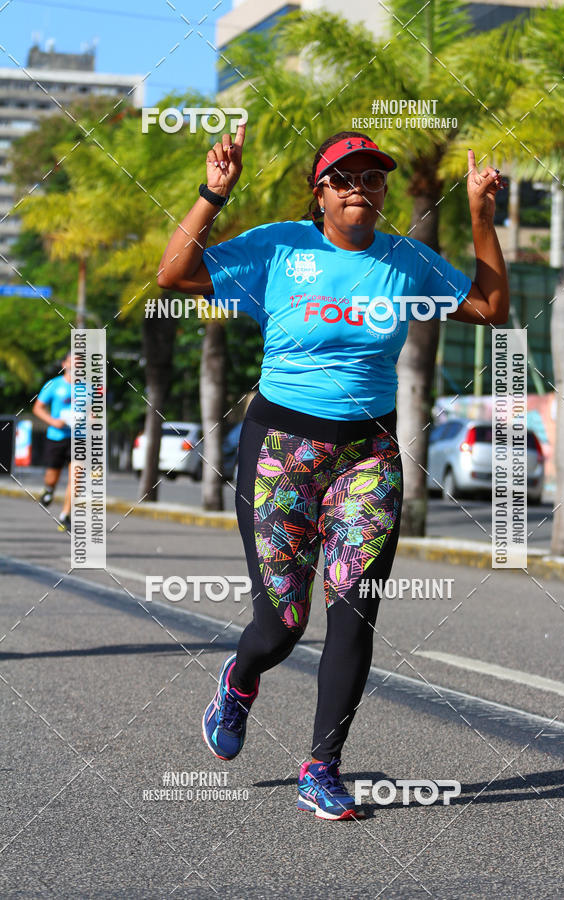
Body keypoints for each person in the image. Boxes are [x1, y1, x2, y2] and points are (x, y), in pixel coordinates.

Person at [158, 125, 509, 820]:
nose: (361, 189)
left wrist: (479, 217)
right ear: (318, 193)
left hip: (369, 455)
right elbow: (174, 275)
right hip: (281, 449)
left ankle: (322, 766)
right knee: (281, 624)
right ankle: (240, 677)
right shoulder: (279, 247)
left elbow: (491, 309)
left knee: (354, 614)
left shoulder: (408, 262)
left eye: (373, 178)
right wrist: (211, 196)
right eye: (345, 179)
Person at [32, 351, 73, 532]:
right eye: (73, 362)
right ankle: (49, 490)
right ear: (65, 364)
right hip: (56, 436)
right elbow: (38, 408)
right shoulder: (53, 385)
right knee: (52, 475)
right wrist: (53, 422)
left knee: (77, 477)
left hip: (79, 438)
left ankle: (66, 514)